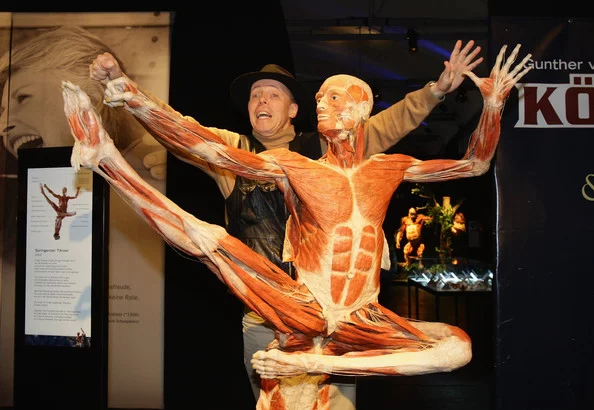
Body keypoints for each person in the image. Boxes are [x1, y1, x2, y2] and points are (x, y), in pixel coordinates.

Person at [62, 41, 531, 410]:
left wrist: (487, 103)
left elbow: (469, 162)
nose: (320, 103)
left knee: (457, 349)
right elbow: (199, 142)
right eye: (255, 96)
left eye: (330, 97)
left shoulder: (380, 165)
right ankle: (107, 161)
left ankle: (310, 361)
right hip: (283, 306)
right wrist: (131, 96)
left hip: (359, 320)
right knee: (207, 239)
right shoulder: (284, 163)